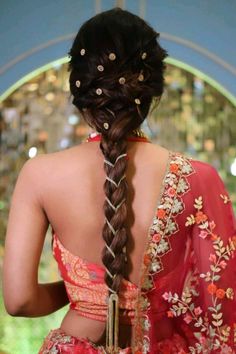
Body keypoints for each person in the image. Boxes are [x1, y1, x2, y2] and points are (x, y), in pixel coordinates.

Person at [2, 7, 236, 354]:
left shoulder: (40, 175)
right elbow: (220, 308)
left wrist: (77, 290)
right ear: (152, 91)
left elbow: (19, 301)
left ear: (79, 91)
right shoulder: (199, 178)